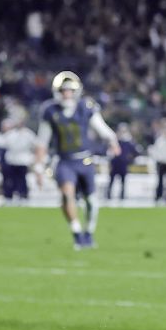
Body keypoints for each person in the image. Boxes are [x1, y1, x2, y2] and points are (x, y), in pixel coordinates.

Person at [35, 71, 120, 249]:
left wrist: (112, 140)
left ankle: (88, 232)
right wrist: (38, 167)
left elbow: (101, 128)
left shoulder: (86, 107)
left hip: (85, 160)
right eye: (63, 90)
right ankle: (76, 231)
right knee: (67, 194)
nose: (67, 94)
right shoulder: (50, 111)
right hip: (64, 160)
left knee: (91, 201)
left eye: (69, 90)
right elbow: (42, 141)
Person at [108, 123, 136, 200]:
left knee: (123, 182)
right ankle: (108, 195)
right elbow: (110, 151)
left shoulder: (129, 141)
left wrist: (129, 159)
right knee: (111, 180)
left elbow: (134, 152)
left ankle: (122, 196)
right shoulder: (115, 140)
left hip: (123, 163)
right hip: (115, 163)